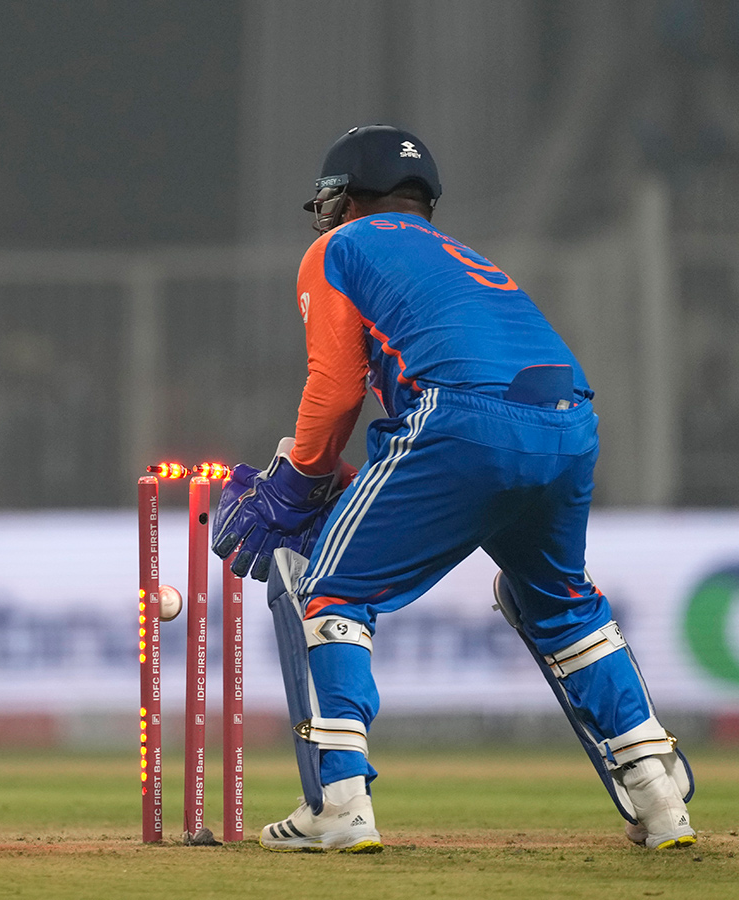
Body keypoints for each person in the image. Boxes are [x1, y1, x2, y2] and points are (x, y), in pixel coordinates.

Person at [211, 124, 695, 853]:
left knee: (332, 588)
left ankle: (339, 804)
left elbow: (337, 389)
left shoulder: (339, 247)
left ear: (347, 198)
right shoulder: (462, 254)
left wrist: (299, 479)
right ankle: (660, 797)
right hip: (568, 422)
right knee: (561, 606)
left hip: (460, 421)